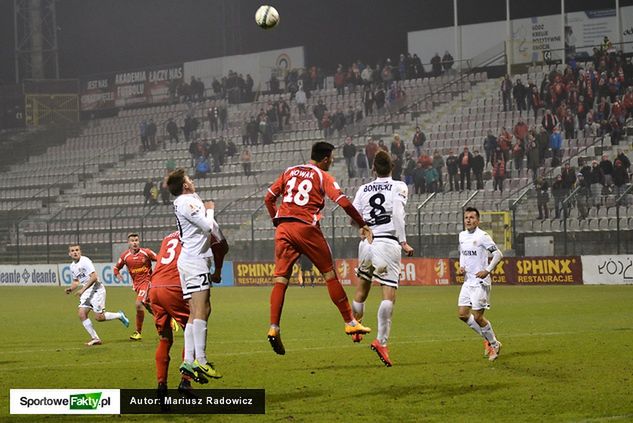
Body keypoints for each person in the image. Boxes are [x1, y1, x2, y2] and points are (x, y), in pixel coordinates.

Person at [264, 141, 374, 355]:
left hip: (284, 228)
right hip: (306, 227)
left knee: (280, 280)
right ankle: (350, 321)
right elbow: (343, 203)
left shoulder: (290, 171)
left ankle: (274, 327)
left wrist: (276, 220)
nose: (331, 162)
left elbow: (269, 198)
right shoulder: (323, 176)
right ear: (325, 159)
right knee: (329, 274)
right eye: (331, 158)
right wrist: (362, 224)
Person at [351, 151, 414, 366]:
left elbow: (355, 217)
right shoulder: (399, 186)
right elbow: (397, 212)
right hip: (387, 243)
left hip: (366, 243)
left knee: (361, 291)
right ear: (393, 167)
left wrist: (362, 226)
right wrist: (403, 241)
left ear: (373, 169)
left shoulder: (363, 189)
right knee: (388, 295)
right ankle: (382, 342)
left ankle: (356, 327)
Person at [150, 230, 228, 397]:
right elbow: (221, 246)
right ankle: (186, 380)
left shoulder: (168, 236)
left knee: (165, 339)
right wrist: (218, 270)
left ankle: (161, 386)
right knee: (192, 327)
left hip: (155, 287)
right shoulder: (200, 230)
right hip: (176, 285)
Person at [167, 168, 224, 380]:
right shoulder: (185, 202)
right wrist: (210, 209)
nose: (192, 180)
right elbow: (207, 226)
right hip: (195, 261)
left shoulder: (186, 199)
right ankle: (201, 359)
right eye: (189, 179)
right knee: (203, 308)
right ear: (185, 185)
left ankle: (189, 361)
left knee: (194, 311)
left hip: (189, 260)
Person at [457, 207, 504, 361]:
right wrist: (461, 266)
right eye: (466, 218)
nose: (468, 220)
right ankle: (489, 340)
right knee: (463, 314)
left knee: (478, 317)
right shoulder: (462, 235)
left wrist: (488, 270)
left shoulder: (483, 236)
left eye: (471, 217)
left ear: (477, 220)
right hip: (467, 281)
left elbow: (498, 254)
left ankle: (493, 343)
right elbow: (463, 253)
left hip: (480, 282)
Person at [65, 244, 129, 346]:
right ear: (69, 254)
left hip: (96, 289)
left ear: (80, 251)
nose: (75, 252)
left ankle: (119, 315)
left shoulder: (85, 261)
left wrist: (82, 290)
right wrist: (71, 288)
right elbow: (76, 281)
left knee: (99, 317)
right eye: (72, 251)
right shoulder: (72, 266)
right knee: (81, 314)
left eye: (77, 250)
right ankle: (95, 338)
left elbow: (94, 277)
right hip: (86, 291)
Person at [113, 233, 157, 340]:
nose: (135, 243)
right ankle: (166, 319)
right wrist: (117, 274)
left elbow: (160, 260)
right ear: (128, 243)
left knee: (138, 304)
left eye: (136, 240)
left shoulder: (146, 252)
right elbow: (116, 268)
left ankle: (138, 332)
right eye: (132, 241)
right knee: (148, 306)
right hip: (137, 285)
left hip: (148, 282)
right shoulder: (125, 256)